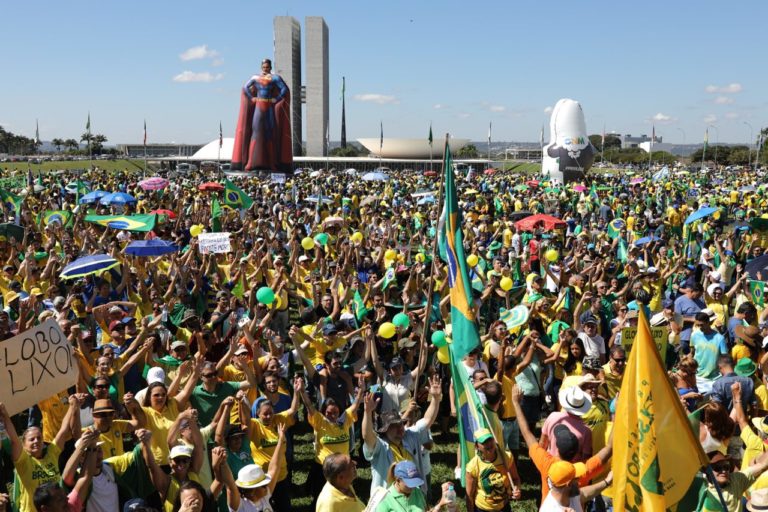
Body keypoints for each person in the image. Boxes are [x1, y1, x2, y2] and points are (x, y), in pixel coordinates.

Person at [363, 374, 442, 495]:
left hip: (413, 494)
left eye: (401, 424)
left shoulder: (409, 436)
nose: (400, 428)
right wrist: (367, 412)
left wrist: (436, 399)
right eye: (394, 426)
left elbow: (427, 420)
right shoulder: (380, 447)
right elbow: (367, 436)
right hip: (389, 500)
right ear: (385, 430)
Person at [231, 58, 292, 173]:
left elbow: (284, 89)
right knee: (255, 133)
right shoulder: (255, 77)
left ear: (270, 67)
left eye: (267, 67)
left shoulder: (275, 78)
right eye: (264, 67)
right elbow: (245, 87)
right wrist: (252, 98)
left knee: (269, 134)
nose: (265, 69)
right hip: (259, 107)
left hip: (268, 107)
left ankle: (272, 163)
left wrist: (276, 99)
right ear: (261, 67)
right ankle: (250, 162)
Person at [213, 424, 286, 512]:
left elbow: (274, 467)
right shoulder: (240, 506)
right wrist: (223, 463)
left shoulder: (264, 496)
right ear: (253, 491)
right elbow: (230, 486)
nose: (266, 487)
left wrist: (280, 441)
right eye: (263, 485)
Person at [465, 428, 521, 512]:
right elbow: (469, 495)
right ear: (477, 446)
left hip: (504, 507)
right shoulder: (473, 466)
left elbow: (516, 479)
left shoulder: (506, 457)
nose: (488, 444)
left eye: (490, 440)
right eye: (484, 442)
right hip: (482, 509)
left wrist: (517, 489)